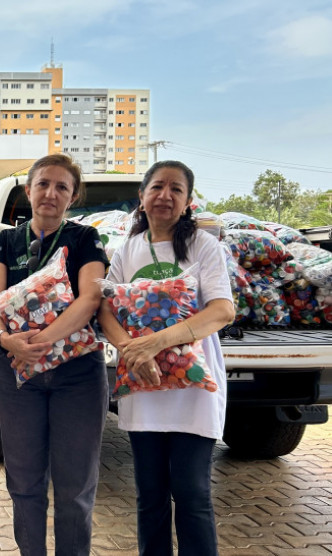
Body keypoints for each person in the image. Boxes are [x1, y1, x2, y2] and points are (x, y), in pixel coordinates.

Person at [96, 161, 234, 556]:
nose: (165, 196)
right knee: (150, 496)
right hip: (144, 387)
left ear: (188, 202)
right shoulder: (126, 250)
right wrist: (130, 349)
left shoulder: (204, 247)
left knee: (192, 494)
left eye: (176, 189)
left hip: (194, 390)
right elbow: (108, 309)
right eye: (157, 187)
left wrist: (153, 343)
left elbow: (222, 311)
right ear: (141, 197)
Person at [0, 153, 109, 555]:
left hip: (78, 376)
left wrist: (39, 344)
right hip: (17, 374)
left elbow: (91, 297)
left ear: (73, 197)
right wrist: (7, 340)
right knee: (24, 484)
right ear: (28, 190)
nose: (50, 194)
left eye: (61, 187)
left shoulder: (84, 239)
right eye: (43, 184)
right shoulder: (6, 241)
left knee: (75, 487)